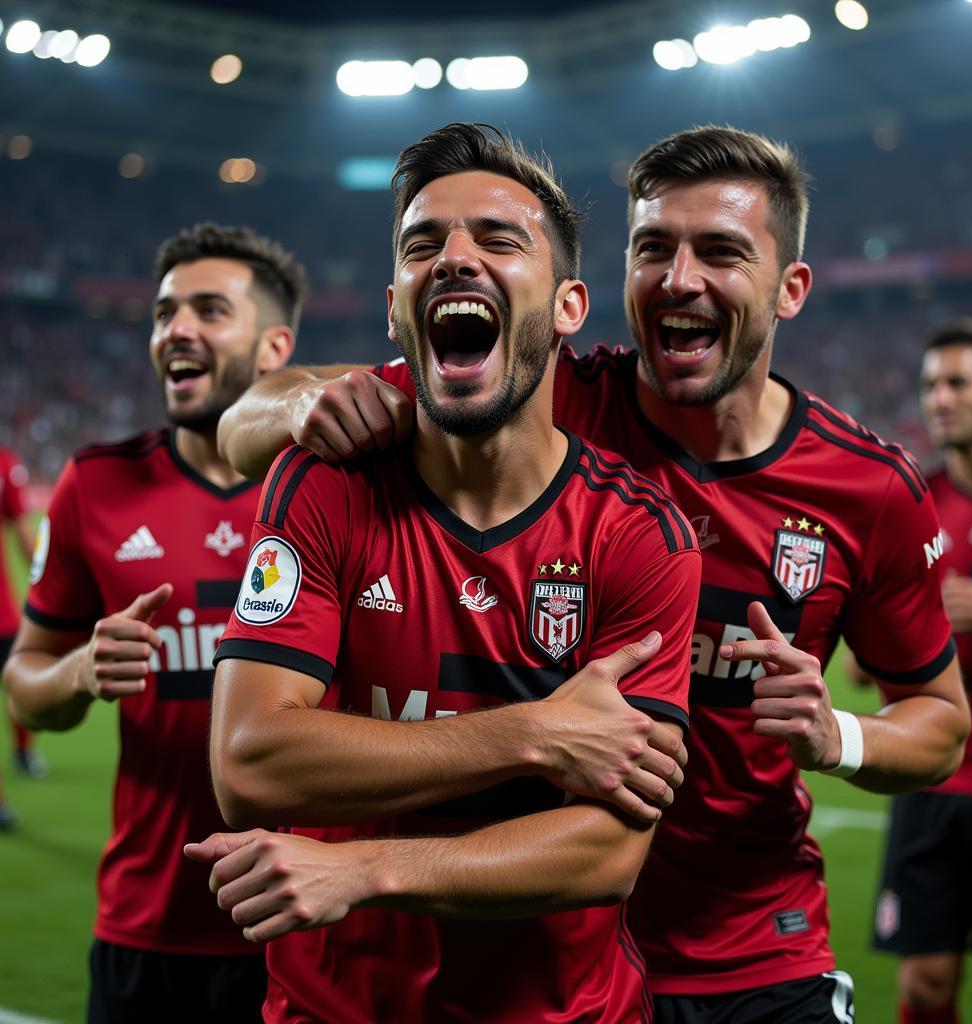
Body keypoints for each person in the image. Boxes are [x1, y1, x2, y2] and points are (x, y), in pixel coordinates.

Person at [217, 123, 972, 1024]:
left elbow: (940, 723)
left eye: (720, 252)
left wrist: (836, 736)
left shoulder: (868, 487)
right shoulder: (535, 394)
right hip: (539, 935)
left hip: (737, 945)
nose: (679, 278)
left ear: (791, 288)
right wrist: (304, 399)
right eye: (653, 248)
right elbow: (242, 429)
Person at [186, 123, 701, 1024]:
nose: (456, 258)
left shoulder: (641, 534)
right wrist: (533, 735)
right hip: (335, 1009)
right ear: (395, 309)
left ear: (571, 304)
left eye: (500, 239)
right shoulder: (323, 482)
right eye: (424, 244)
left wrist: (366, 869)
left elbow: (608, 851)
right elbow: (249, 760)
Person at [4, 223, 305, 1022]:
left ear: (276, 348)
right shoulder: (94, 485)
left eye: (209, 310)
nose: (176, 329)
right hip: (147, 931)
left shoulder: (335, 495)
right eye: (165, 311)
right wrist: (76, 672)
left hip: (310, 928)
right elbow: (23, 681)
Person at [869, 319, 972, 1024]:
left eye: (958, 382)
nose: (939, 398)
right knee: (925, 984)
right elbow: (881, 661)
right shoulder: (914, 506)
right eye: (931, 384)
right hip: (930, 776)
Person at [0, 444, 38, 828]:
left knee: (19, 690)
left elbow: (22, 532)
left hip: (4, 614)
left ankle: (25, 751)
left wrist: (44, 581)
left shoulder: (5, 464)